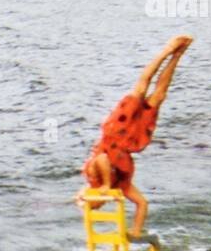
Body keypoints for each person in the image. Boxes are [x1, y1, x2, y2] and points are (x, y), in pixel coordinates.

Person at [76, 35, 192, 238]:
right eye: (98, 205)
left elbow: (102, 158)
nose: (101, 203)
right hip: (130, 142)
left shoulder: (93, 177)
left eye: (96, 203)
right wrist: (135, 230)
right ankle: (177, 55)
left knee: (141, 88)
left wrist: (102, 184)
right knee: (159, 96)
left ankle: (168, 49)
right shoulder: (120, 185)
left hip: (116, 132)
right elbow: (142, 204)